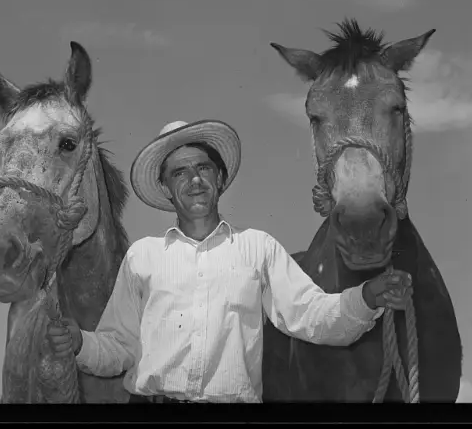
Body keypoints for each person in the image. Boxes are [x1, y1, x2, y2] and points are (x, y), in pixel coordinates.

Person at [46, 120, 413, 403]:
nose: (194, 180)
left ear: (219, 178)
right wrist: (80, 342)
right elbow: (119, 349)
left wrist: (367, 297)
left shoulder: (258, 249)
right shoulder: (142, 256)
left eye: (203, 168)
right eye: (179, 172)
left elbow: (314, 316)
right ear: (166, 188)